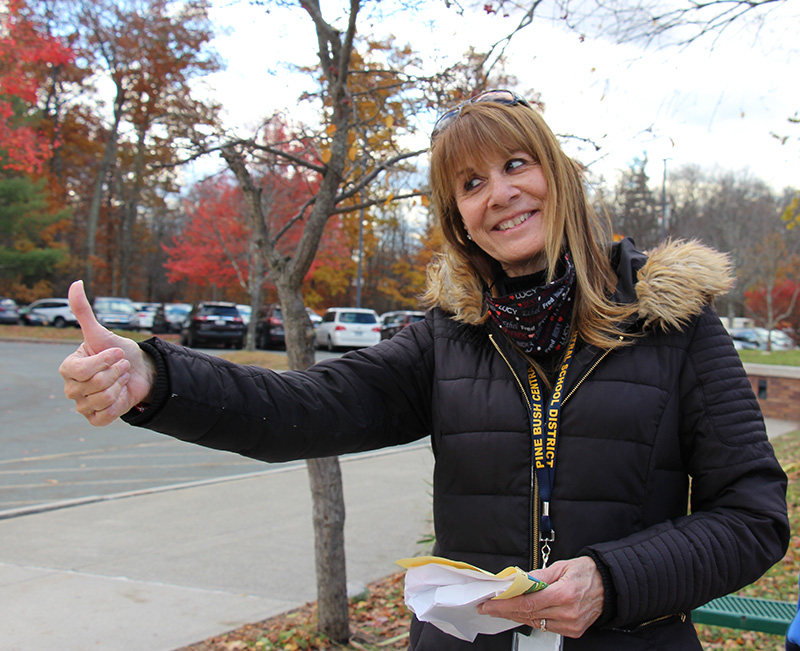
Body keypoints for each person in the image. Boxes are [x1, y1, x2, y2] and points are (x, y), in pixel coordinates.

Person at [59, 89, 789, 651]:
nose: (498, 193)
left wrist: (613, 579)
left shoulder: (673, 321)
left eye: (514, 165)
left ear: (557, 176)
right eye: (470, 184)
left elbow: (753, 516)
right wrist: (154, 377)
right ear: (458, 217)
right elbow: (302, 408)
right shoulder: (448, 339)